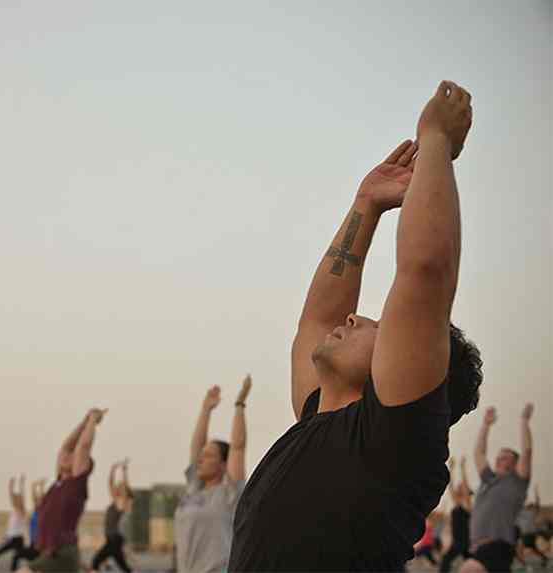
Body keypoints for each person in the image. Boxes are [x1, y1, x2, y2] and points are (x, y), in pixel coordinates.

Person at [229, 81, 483, 572]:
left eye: (380, 327)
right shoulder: (317, 419)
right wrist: (366, 203)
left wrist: (436, 140)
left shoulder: (395, 439)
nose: (353, 317)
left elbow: (426, 271)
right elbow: (318, 319)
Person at [174, 376, 250, 573]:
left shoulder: (229, 494)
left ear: (223, 464)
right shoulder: (193, 489)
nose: (200, 459)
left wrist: (239, 405)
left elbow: (238, 448)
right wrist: (206, 409)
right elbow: (196, 447)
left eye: (208, 456)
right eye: (202, 455)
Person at [20, 408, 107, 573]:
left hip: (61, 553)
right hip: (53, 552)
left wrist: (93, 420)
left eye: (73, 456)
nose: (68, 454)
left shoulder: (76, 484)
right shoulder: (59, 483)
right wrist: (84, 422)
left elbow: (83, 447)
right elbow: (66, 446)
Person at [460, 404, 534, 572]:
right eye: (499, 457)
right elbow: (479, 453)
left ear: (515, 464)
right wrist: (485, 425)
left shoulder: (517, 482)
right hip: (478, 547)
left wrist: (524, 422)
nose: (499, 459)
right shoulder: (488, 479)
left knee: (468, 569)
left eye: (505, 457)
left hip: (498, 545)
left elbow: (527, 453)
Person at [90, 459, 134, 573]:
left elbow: (124, 490)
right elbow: (110, 484)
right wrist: (113, 470)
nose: (116, 488)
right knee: (123, 565)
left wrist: (124, 472)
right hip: (111, 539)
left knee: (95, 562)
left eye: (119, 488)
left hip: (115, 539)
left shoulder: (122, 503)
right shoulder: (115, 501)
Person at [0, 476, 28, 572]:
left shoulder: (21, 511)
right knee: (8, 556)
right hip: (12, 538)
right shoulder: (14, 511)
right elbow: (12, 496)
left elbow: (20, 497)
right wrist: (11, 487)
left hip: (16, 538)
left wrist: (20, 485)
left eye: (16, 500)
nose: (14, 501)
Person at [440, 457, 473, 572]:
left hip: (464, 541)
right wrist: (451, 469)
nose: (459, 487)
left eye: (461, 487)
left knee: (446, 561)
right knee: (469, 562)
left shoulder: (467, 504)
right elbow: (450, 487)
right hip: (458, 541)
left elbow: (465, 486)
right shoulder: (456, 502)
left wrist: (462, 468)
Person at [516, 486, 547, 567]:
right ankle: (543, 558)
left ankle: (523, 563)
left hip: (528, 533)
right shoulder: (522, 511)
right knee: (532, 548)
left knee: (522, 548)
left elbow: (537, 504)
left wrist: (536, 494)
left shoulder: (531, 512)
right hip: (528, 533)